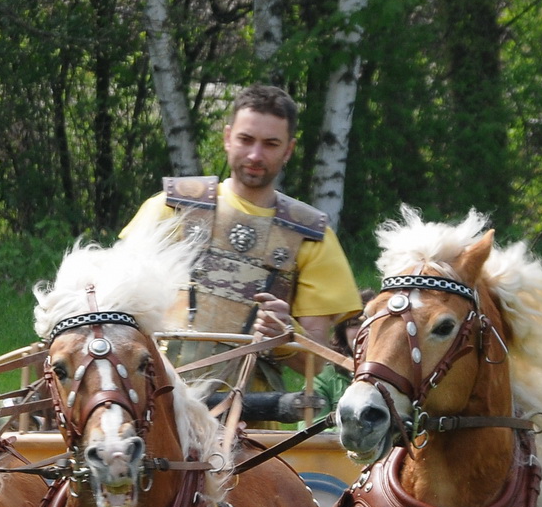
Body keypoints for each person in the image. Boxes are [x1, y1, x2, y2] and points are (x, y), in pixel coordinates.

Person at [120, 84, 362, 400]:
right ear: (227, 137)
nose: (255, 155)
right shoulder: (171, 208)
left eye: (270, 144)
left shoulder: (311, 236)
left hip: (251, 419)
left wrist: (286, 335)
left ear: (289, 149)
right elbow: (112, 307)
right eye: (246, 140)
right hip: (160, 404)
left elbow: (315, 363)